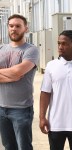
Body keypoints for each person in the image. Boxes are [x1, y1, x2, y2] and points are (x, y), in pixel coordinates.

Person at [0, 14, 39, 150]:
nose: (14, 29)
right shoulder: (1, 49)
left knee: (24, 147)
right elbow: (15, 73)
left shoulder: (31, 50)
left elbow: (18, 72)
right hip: (1, 108)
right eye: (11, 26)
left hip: (21, 109)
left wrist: (14, 73)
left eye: (18, 26)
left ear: (25, 28)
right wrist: (12, 75)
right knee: (8, 146)